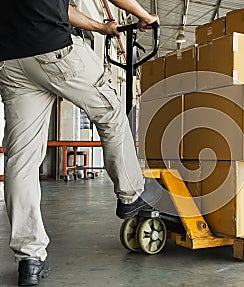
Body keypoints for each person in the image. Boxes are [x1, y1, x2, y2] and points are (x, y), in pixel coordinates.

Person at [0, 1, 161, 286]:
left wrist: (101, 27)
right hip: (55, 50)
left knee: (20, 161)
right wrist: (145, 15)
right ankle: (130, 194)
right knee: (111, 110)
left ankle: (30, 259)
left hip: (12, 60)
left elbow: (62, 8)